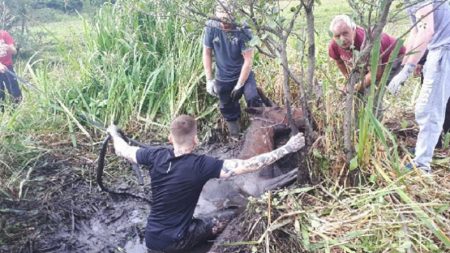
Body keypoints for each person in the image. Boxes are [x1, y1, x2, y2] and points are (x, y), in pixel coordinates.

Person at [106, 115, 304, 253]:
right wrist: (287, 148)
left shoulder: (154, 155)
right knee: (231, 215)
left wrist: (114, 133)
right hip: (177, 242)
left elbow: (123, 150)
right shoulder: (201, 165)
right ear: (196, 139)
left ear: (170, 138)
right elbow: (248, 165)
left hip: (152, 238)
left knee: (195, 219)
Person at [387, 0, 450, 172]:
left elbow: (426, 30)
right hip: (437, 50)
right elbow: (415, 33)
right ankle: (426, 149)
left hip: (444, 51)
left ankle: (422, 165)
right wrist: (404, 65)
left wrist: (408, 69)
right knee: (431, 106)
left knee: (428, 109)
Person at [203, 4, 263, 140]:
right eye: (221, 21)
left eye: (227, 21)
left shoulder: (243, 29)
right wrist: (209, 80)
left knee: (252, 97)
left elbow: (248, 61)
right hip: (222, 76)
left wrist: (239, 84)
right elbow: (207, 53)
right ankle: (235, 136)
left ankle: (259, 131)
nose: (224, 25)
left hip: (243, 74)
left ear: (233, 16)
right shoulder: (211, 26)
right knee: (226, 106)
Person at [328, 15, 406, 93]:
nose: (342, 39)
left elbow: (375, 73)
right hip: (368, 64)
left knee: (375, 92)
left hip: (394, 57)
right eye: (337, 36)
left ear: (354, 29)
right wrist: (349, 81)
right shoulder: (334, 45)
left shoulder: (367, 42)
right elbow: (339, 62)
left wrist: (356, 88)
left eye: (345, 33)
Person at [0, 30, 21, 103]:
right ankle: (2, 112)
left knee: (14, 90)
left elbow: (14, 51)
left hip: (8, 67)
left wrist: (9, 48)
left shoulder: (4, 34)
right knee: (0, 93)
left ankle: (18, 108)